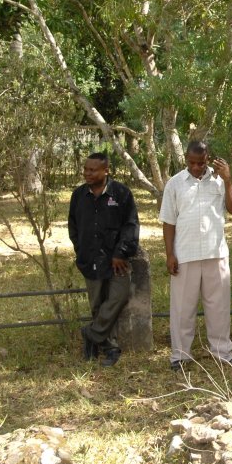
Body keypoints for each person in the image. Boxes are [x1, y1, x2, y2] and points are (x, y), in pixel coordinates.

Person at [160, 140, 232, 372]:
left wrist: (228, 180)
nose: (196, 167)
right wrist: (169, 254)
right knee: (182, 309)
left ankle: (222, 353)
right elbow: (168, 221)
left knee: (218, 308)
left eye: (201, 163)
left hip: (215, 253)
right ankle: (180, 356)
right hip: (185, 255)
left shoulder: (219, 181)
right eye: (192, 163)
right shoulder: (175, 184)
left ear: (208, 160)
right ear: (186, 159)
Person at [68, 152, 139, 367]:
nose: (87, 173)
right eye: (86, 169)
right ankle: (109, 347)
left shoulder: (121, 193)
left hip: (117, 259)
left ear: (106, 171)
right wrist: (81, 250)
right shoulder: (78, 196)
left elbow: (131, 225)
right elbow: (73, 226)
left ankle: (90, 333)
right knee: (97, 305)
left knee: (119, 296)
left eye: (93, 170)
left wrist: (120, 253)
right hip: (90, 258)